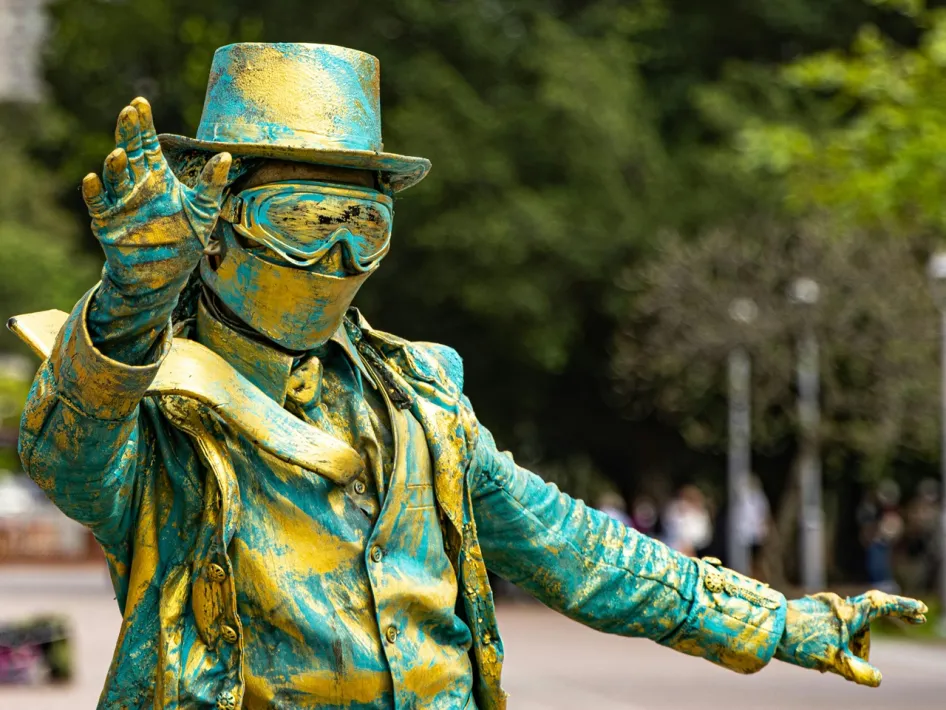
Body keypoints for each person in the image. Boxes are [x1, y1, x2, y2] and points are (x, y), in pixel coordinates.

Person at [9, 43, 928, 710]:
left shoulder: (421, 398)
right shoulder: (149, 399)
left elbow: (572, 548)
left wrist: (779, 622)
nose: (338, 259)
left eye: (366, 227)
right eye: (304, 220)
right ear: (213, 227)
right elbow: (67, 458)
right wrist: (132, 298)